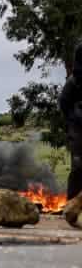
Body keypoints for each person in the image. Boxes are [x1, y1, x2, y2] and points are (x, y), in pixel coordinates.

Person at [61, 43, 82, 200]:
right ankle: (72, 206)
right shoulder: (74, 82)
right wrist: (73, 120)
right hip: (78, 129)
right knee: (78, 167)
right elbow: (64, 103)